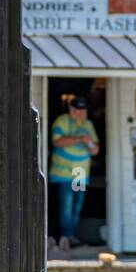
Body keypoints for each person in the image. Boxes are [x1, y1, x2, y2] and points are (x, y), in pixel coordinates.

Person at [50, 96, 99, 244]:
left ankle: (71, 236)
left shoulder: (88, 124)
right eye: (77, 110)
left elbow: (95, 150)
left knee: (77, 206)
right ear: (71, 109)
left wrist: (89, 143)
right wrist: (79, 139)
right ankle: (67, 237)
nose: (80, 113)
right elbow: (56, 141)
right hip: (63, 172)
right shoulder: (62, 120)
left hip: (80, 172)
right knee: (66, 205)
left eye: (83, 110)